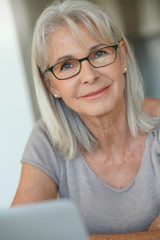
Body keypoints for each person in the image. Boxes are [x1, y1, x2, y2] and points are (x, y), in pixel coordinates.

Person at [12, 0, 160, 239]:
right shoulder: (46, 139)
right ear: (50, 84)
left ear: (122, 56)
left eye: (99, 53)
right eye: (67, 65)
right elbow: (19, 235)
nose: (89, 76)